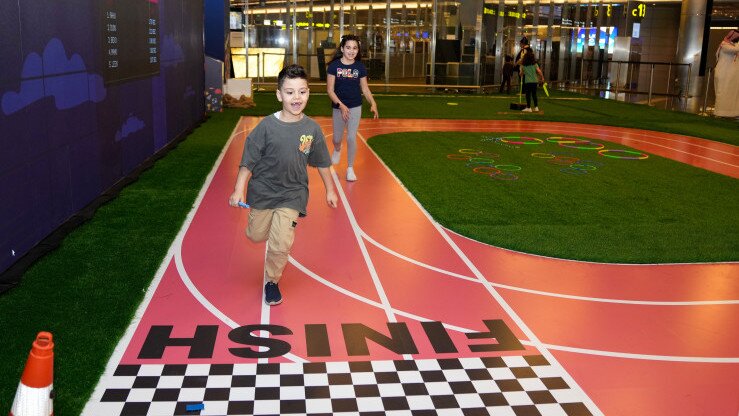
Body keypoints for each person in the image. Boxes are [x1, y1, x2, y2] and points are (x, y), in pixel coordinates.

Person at [228, 64, 338, 306]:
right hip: (263, 192)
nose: (296, 98)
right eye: (290, 92)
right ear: (279, 95)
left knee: (280, 243)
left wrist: (330, 189)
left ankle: (272, 281)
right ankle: (265, 228)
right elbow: (248, 161)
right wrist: (238, 189)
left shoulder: (312, 129)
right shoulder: (266, 127)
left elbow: (322, 162)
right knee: (256, 235)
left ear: (308, 93)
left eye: (302, 91)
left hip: (293, 193)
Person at [326, 34, 379, 182]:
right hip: (338, 107)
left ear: (358, 50)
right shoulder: (334, 66)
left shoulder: (360, 67)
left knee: (351, 137)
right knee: (337, 139)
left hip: (355, 106)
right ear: (342, 49)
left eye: (355, 48)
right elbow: (330, 90)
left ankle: (350, 168)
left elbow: (365, 89)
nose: (351, 51)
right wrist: (341, 105)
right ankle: (337, 149)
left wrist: (373, 103)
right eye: (348, 47)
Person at [713, 29, 739, 118]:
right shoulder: (724, 45)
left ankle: (732, 113)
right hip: (723, 73)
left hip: (730, 75)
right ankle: (720, 113)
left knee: (731, 94)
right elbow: (735, 49)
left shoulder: (732, 45)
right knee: (722, 93)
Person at [519, 47, 545, 112]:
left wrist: (521, 72)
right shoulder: (535, 64)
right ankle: (536, 107)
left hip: (528, 82)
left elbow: (521, 74)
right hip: (534, 81)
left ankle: (528, 107)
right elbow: (539, 71)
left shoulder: (523, 65)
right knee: (534, 94)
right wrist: (542, 78)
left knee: (528, 95)